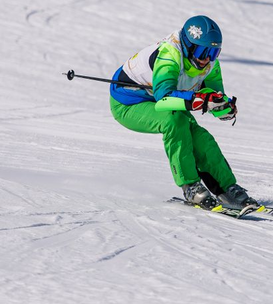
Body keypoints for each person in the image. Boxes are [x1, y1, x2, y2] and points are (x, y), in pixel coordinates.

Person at [109, 15, 259, 210]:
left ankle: (227, 188)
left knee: (200, 137)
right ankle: (190, 186)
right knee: (175, 122)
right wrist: (200, 101)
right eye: (202, 51)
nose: (206, 59)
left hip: (162, 102)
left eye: (213, 52)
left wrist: (224, 108)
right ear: (188, 45)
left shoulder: (211, 65)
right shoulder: (169, 54)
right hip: (128, 103)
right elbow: (164, 98)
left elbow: (213, 96)